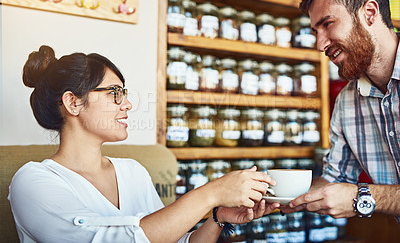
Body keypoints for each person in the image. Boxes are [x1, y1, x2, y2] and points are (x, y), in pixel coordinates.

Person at [8, 45, 279, 242]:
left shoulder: (133, 171)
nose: (127, 104)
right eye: (115, 93)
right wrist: (211, 193)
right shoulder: (33, 182)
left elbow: (169, 239)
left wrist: (218, 217)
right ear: (73, 103)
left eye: (124, 93)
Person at [280, 0, 400, 223]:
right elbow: (335, 180)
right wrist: (277, 195)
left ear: (369, 13)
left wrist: (367, 197)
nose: (320, 44)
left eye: (327, 24)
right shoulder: (347, 102)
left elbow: (357, 194)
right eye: (316, 31)